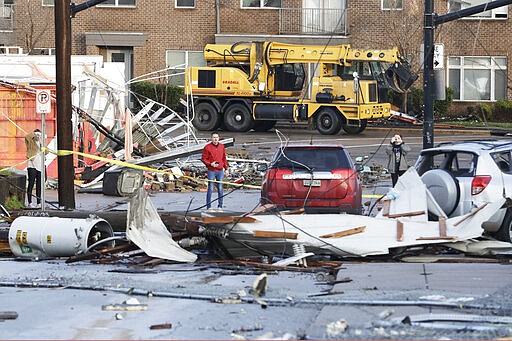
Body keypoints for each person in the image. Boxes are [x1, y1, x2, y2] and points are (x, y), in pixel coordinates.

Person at [201, 132, 229, 211]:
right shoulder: (207, 147)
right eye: (214, 137)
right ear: (211, 138)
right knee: (210, 188)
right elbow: (203, 159)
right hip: (211, 170)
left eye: (217, 137)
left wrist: (226, 168)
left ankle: (220, 206)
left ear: (219, 138)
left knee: (220, 188)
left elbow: (224, 158)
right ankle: (209, 207)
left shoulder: (222, 146)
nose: (216, 139)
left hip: (220, 170)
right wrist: (210, 164)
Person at [25, 129, 44, 208]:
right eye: (37, 135)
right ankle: (30, 203)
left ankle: (38, 202)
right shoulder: (30, 142)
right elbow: (26, 136)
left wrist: (41, 143)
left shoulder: (41, 143)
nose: (38, 136)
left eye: (39, 135)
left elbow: (46, 152)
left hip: (40, 165)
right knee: (31, 183)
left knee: (39, 185)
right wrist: (34, 134)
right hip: (32, 165)